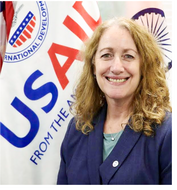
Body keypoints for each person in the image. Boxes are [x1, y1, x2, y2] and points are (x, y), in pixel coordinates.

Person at [57, 17, 172, 185]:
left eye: (128, 56)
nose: (117, 67)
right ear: (93, 66)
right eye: (106, 55)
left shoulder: (167, 133)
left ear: (143, 66)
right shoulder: (77, 128)